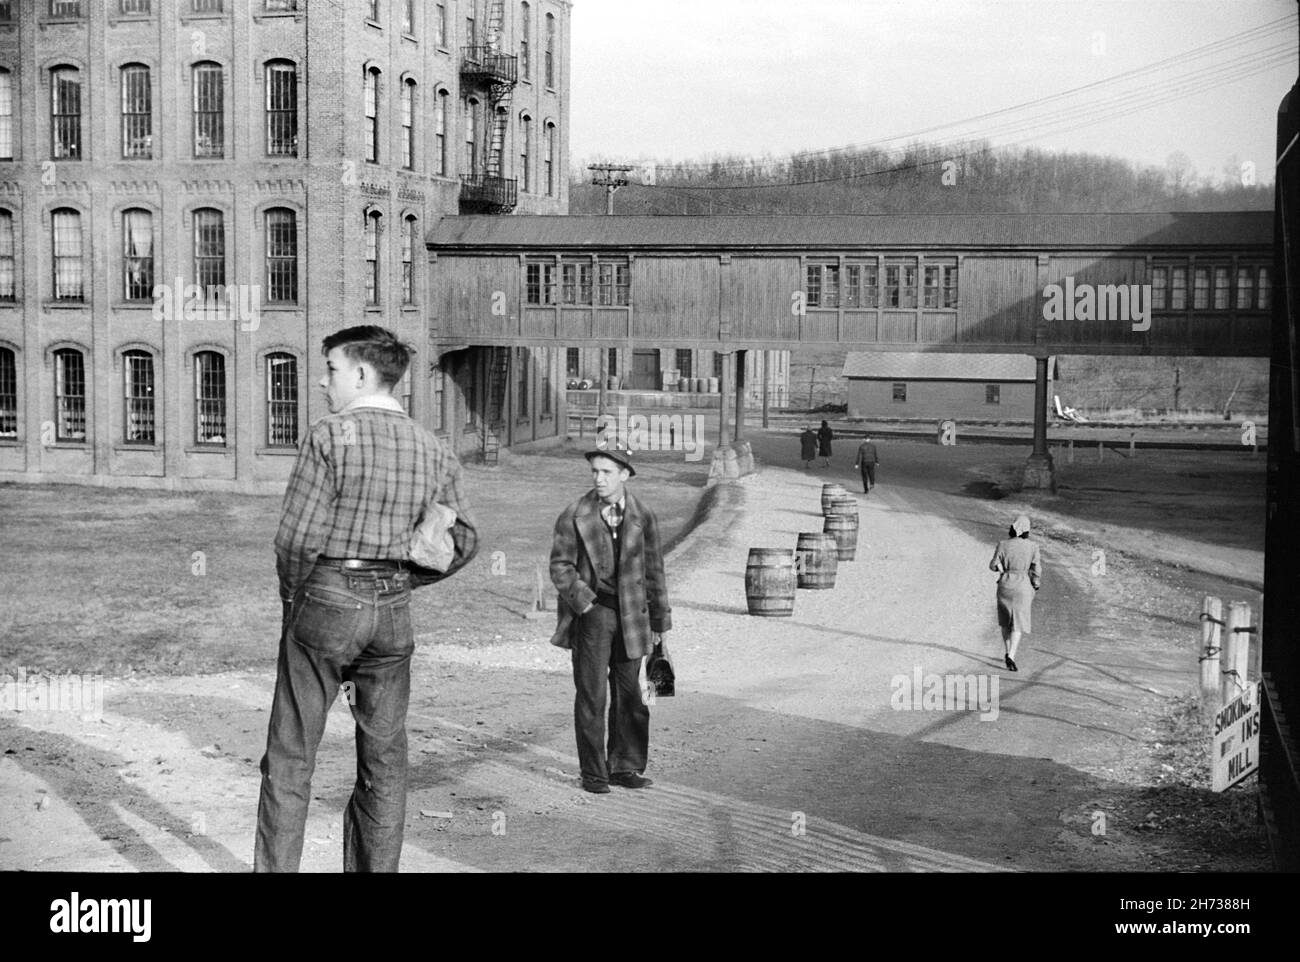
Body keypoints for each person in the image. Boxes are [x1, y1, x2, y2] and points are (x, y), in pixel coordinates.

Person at [255, 325, 476, 872]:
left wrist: (295, 599)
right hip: (393, 613)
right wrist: (402, 580)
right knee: (384, 760)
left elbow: (297, 540)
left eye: (331, 370)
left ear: (360, 374)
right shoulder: (435, 448)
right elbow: (465, 540)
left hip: (326, 601)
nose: (324, 383)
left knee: (291, 758)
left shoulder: (328, 435)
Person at [549, 442, 671, 794]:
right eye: (595, 472)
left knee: (631, 692)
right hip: (593, 615)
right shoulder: (575, 514)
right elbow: (560, 567)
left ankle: (626, 767)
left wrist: (661, 624)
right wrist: (584, 603)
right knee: (591, 695)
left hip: (633, 615)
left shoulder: (642, 515)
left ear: (625, 475)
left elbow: (655, 572)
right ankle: (594, 773)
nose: (599, 479)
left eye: (606, 472)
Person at [988, 514, 1041, 672]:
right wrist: (1036, 583)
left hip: (1005, 584)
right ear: (1027, 530)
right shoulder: (1033, 546)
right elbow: (1036, 569)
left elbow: (993, 565)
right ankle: (1011, 655)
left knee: (1005, 621)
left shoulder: (1003, 544)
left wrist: (1001, 569)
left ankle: (1006, 650)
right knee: (1018, 623)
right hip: (1023, 585)